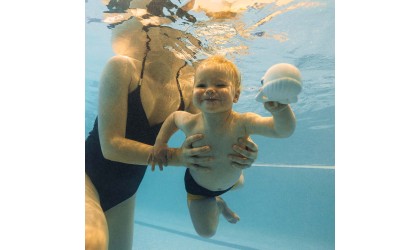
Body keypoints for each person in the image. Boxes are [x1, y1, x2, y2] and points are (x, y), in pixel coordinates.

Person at [84, 15, 259, 250]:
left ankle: (214, 198)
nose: (175, 43)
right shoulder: (122, 67)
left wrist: (240, 152)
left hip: (126, 193)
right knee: (91, 242)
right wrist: (179, 157)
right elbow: (111, 146)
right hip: (87, 178)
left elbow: (205, 148)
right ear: (147, 31)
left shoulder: (188, 90)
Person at [151, 55, 296, 238]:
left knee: (240, 183)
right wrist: (160, 143)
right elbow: (173, 118)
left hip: (232, 181)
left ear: (236, 94)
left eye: (220, 85)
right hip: (199, 188)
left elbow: (281, 131)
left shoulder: (244, 122)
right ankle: (218, 204)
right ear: (193, 91)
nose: (210, 90)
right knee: (206, 232)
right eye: (201, 85)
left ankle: (220, 197)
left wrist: (281, 109)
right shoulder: (190, 122)